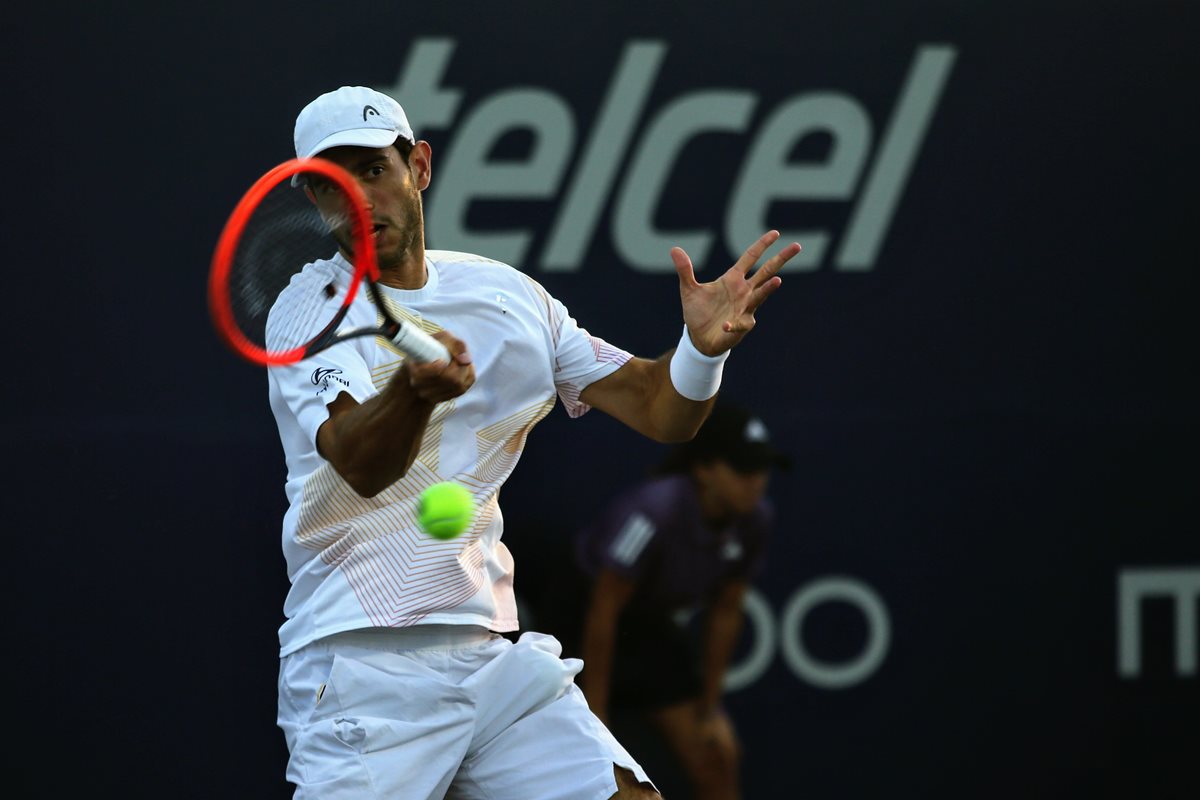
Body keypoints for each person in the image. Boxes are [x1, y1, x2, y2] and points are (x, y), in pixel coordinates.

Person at [266, 85, 800, 800]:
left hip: (491, 658)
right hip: (361, 663)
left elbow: (658, 409)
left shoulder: (509, 298)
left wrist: (699, 354)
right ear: (313, 198)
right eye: (333, 185)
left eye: (373, 171)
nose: (359, 200)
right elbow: (361, 463)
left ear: (419, 167)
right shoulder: (311, 309)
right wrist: (415, 393)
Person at [573, 403, 790, 800]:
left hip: (649, 631)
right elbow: (603, 612)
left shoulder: (757, 519)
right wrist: (596, 719)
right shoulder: (653, 511)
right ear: (703, 469)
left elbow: (726, 612)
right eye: (743, 469)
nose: (756, 482)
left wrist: (709, 709)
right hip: (579, 621)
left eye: (762, 469)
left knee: (716, 755)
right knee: (592, 770)